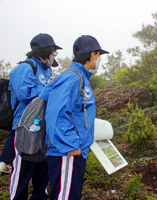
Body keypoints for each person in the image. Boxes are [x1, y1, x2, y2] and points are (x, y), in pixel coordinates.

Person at [39, 35, 108, 200]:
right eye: (99, 55)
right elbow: (57, 114)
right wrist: (70, 144)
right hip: (67, 152)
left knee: (71, 195)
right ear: (92, 55)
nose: (99, 59)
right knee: (64, 196)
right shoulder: (72, 77)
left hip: (74, 151)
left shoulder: (81, 77)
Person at [9, 33, 62, 200]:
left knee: (42, 173)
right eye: (53, 51)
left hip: (43, 128)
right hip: (25, 127)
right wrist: (48, 87)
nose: (54, 55)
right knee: (22, 173)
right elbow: (24, 94)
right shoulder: (25, 67)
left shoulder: (47, 70)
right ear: (46, 50)